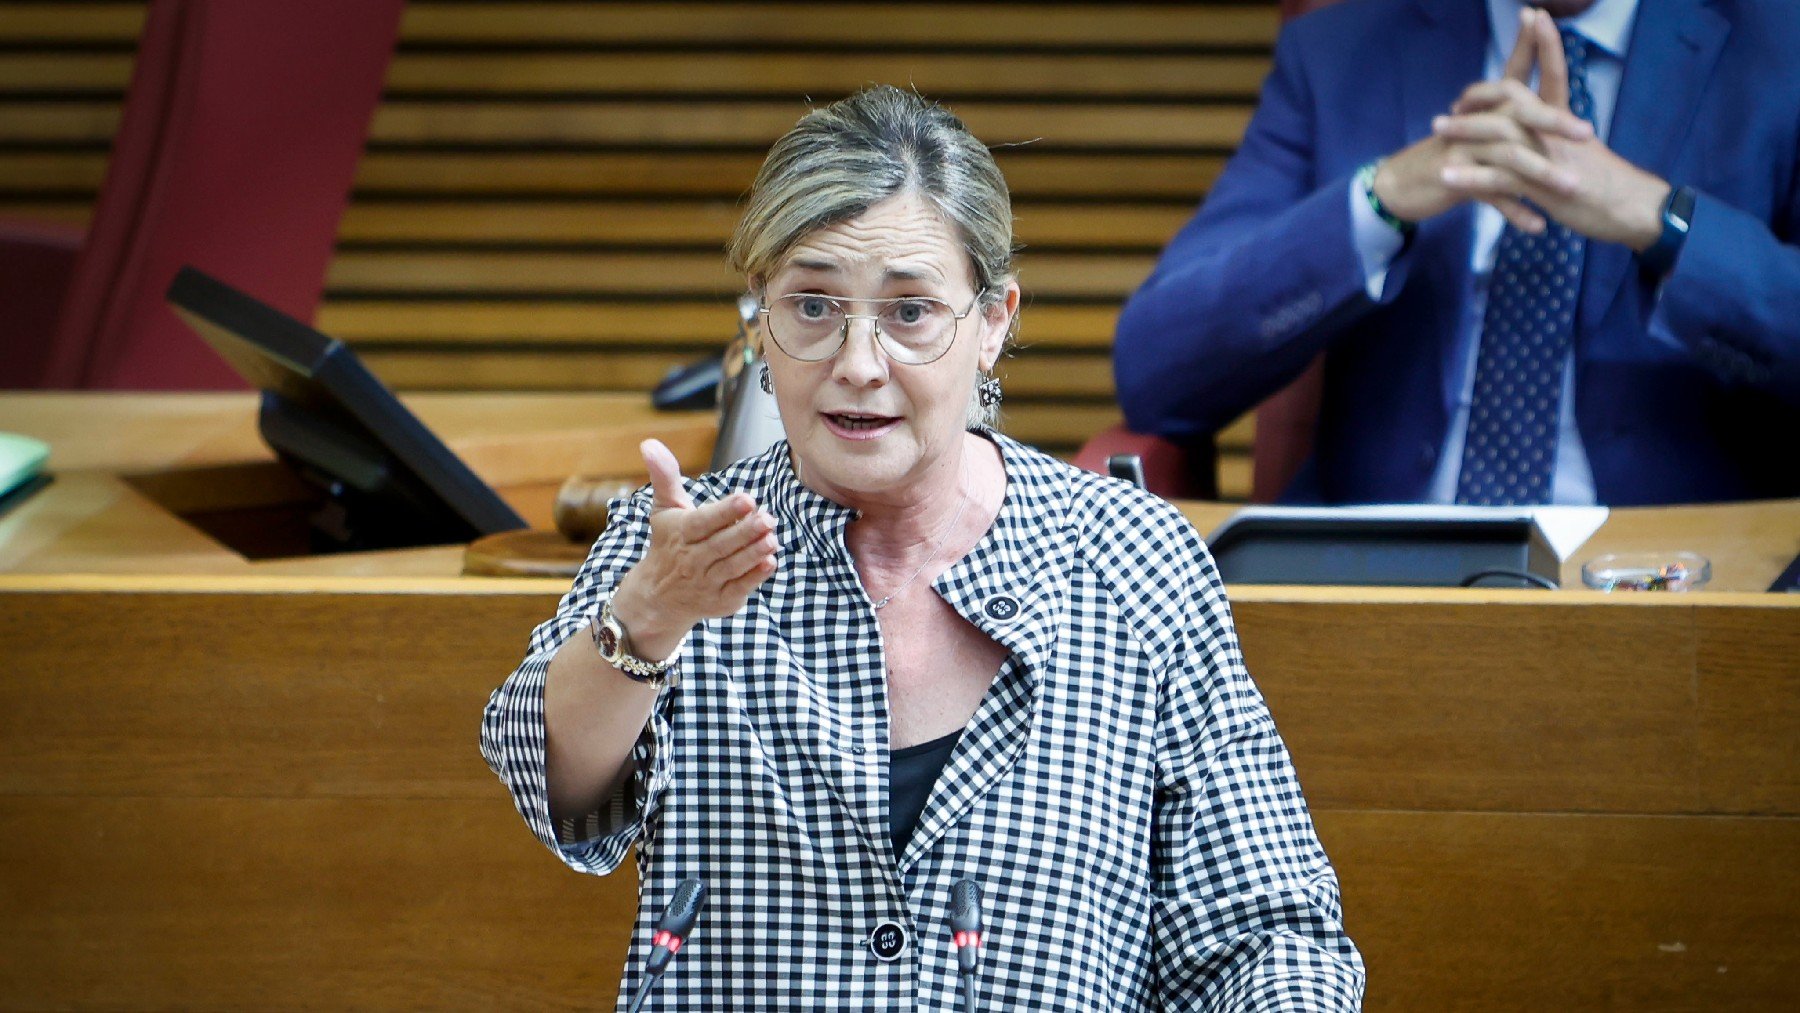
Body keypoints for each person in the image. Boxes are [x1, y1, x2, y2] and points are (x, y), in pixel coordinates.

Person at [482, 85, 1363, 1010]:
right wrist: (651, 613)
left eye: (909, 313)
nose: (858, 362)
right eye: (813, 305)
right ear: (760, 315)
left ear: (993, 322)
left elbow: (1270, 933)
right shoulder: (677, 547)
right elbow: (556, 792)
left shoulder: (1131, 560)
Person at [1113, 0, 1800, 506]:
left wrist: (1659, 220)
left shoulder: (1778, 49)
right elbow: (1156, 366)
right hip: (1385, 589)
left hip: (1680, 589)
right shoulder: (1339, 53)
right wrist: (1379, 199)